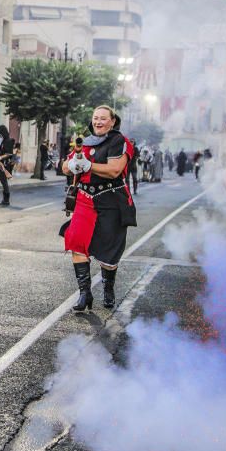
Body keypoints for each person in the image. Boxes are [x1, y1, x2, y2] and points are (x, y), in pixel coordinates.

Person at [61, 105, 135, 311]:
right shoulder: (84, 142)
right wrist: (73, 164)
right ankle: (84, 294)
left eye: (103, 118)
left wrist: (89, 166)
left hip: (111, 201)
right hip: (85, 199)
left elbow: (114, 170)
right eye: (95, 118)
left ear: (112, 121)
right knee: (76, 241)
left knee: (109, 254)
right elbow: (65, 166)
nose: (98, 122)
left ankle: (108, 287)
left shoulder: (120, 142)